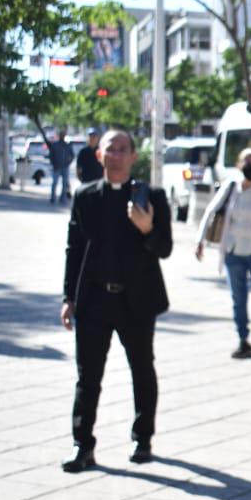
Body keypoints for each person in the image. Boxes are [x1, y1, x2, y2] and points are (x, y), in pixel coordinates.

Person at [59, 129, 173, 473]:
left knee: (142, 370)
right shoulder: (85, 196)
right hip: (94, 300)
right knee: (87, 376)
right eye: (111, 149)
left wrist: (147, 228)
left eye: (124, 149)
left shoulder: (150, 196)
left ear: (133, 156)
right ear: (99, 155)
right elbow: (74, 249)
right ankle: (83, 445)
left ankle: (143, 438)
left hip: (136, 303)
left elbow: (164, 248)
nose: (117, 155)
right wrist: (69, 297)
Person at [195, 148, 251, 360]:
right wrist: (199, 240)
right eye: (247, 161)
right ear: (239, 165)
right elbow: (211, 210)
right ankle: (243, 341)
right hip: (233, 253)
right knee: (238, 300)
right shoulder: (231, 187)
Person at [49, 131, 74, 205]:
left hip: (65, 167)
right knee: (54, 183)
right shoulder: (55, 145)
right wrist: (54, 164)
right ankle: (53, 198)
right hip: (56, 167)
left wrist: (68, 163)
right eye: (61, 135)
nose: (62, 137)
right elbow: (51, 156)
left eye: (63, 135)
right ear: (59, 136)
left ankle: (63, 198)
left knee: (64, 184)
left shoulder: (67, 145)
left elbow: (72, 155)